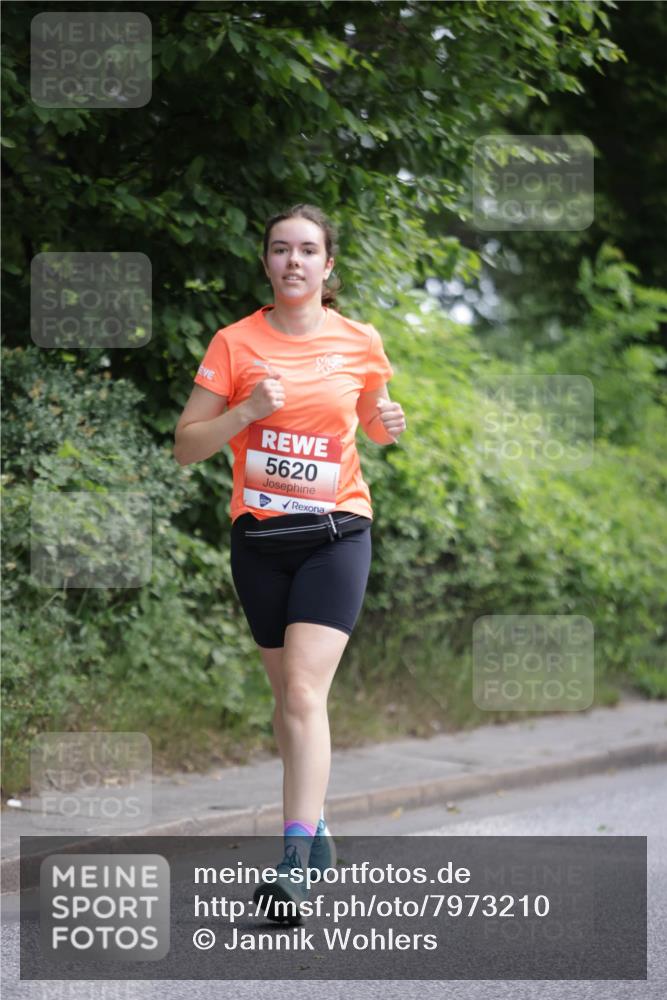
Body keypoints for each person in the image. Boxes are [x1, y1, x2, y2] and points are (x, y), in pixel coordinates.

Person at [174, 203, 406, 924]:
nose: (295, 261)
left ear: (327, 266)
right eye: (282, 249)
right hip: (260, 543)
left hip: (337, 533)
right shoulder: (235, 344)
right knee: (287, 700)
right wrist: (245, 414)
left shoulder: (359, 341)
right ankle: (318, 824)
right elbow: (187, 445)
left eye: (309, 250)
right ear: (268, 263)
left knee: (304, 694)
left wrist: (387, 424)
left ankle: (294, 862)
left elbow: (371, 420)